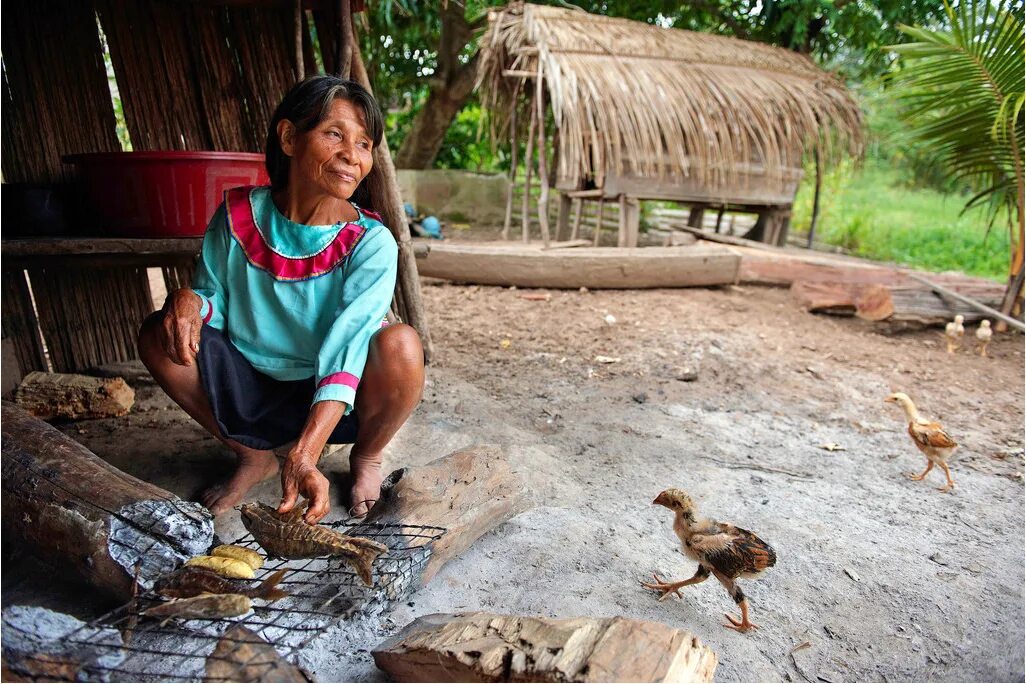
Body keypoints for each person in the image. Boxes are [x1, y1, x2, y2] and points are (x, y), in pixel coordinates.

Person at [138, 75, 424, 524]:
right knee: (160, 334)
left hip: (332, 395)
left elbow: (349, 345)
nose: (353, 155)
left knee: (402, 346)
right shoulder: (236, 216)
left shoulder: (371, 242)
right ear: (290, 137)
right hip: (247, 384)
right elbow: (216, 303)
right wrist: (189, 299)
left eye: (365, 143)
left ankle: (367, 457)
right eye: (335, 134)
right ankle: (253, 456)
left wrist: (307, 453)